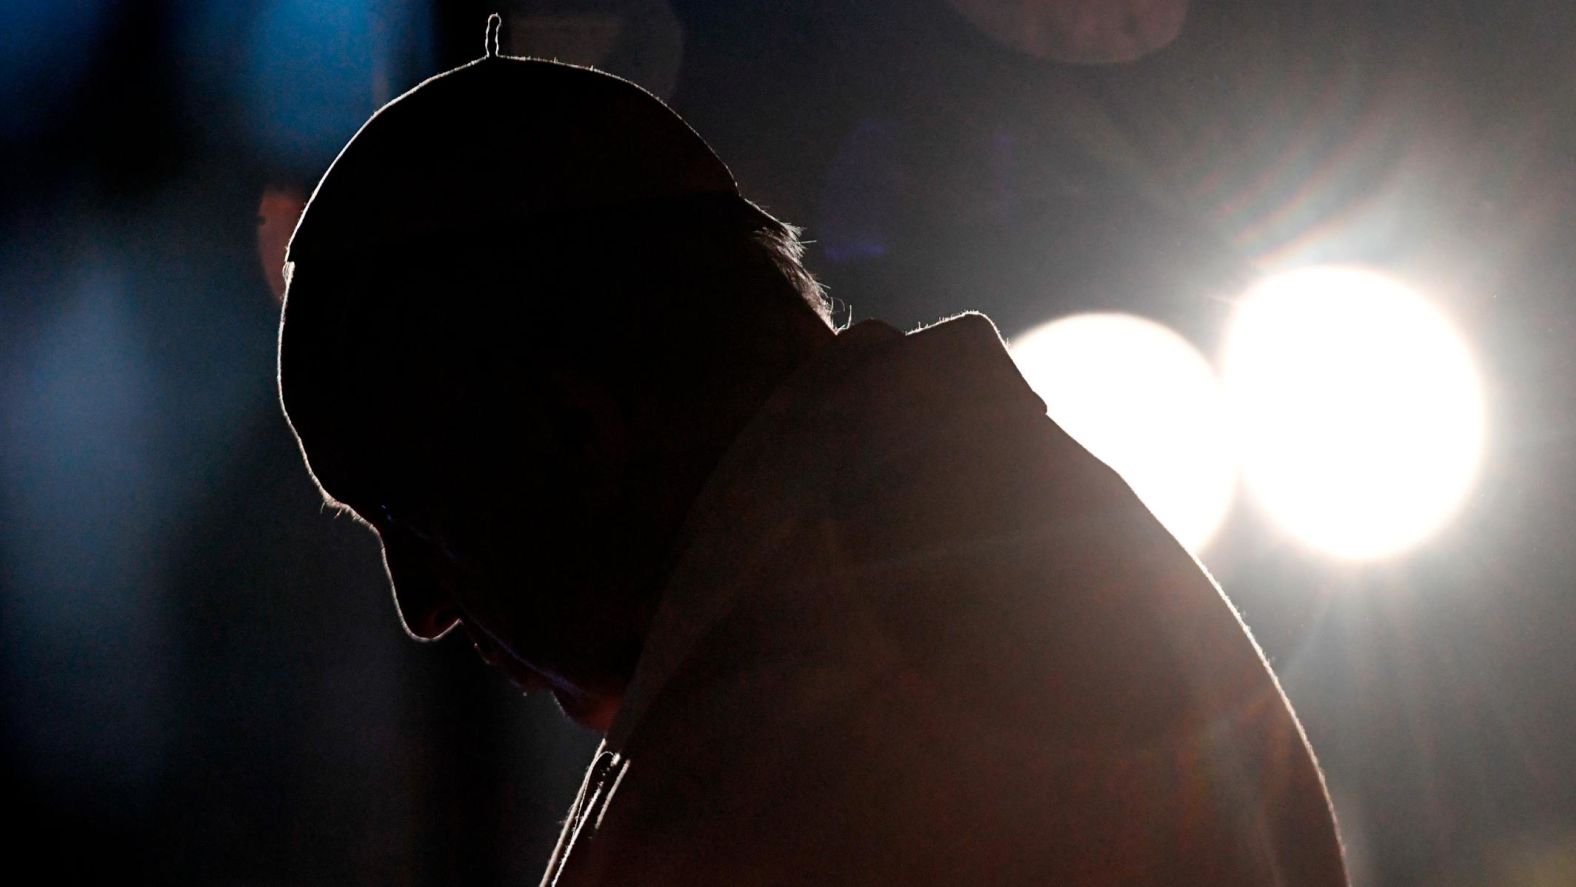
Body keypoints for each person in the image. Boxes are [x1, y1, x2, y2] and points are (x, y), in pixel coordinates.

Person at [278, 17, 1347, 886]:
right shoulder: (995, 547)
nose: (421, 605)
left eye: (412, 519)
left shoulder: (793, 755)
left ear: (570, 435)